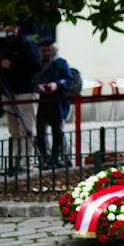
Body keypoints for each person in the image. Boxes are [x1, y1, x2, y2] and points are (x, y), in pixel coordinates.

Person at [0, 24, 40, 170]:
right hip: (8, 91)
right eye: (4, 29)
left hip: (25, 90)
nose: (8, 32)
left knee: (27, 127)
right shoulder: (1, 46)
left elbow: (36, 65)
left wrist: (13, 64)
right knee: (14, 130)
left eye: (10, 29)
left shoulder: (27, 43)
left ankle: (27, 161)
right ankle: (15, 159)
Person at [33, 40, 75, 169]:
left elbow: (69, 80)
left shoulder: (60, 63)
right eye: (43, 50)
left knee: (58, 132)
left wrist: (57, 84)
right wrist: (38, 86)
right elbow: (31, 80)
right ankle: (44, 159)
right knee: (40, 132)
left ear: (52, 50)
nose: (45, 53)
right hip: (41, 102)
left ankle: (58, 158)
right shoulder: (36, 65)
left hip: (57, 102)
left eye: (48, 50)